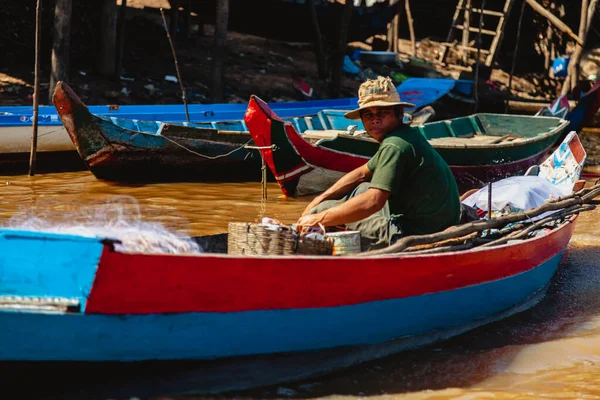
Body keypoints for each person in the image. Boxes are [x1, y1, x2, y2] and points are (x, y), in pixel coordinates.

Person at [296, 76, 461, 251]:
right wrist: (317, 199)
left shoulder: (395, 145)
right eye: (369, 115)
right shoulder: (403, 135)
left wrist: (317, 217)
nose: (375, 120)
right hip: (436, 221)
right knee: (359, 189)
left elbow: (373, 202)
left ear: (398, 114)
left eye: (382, 113)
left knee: (325, 212)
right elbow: (361, 173)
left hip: (415, 232)